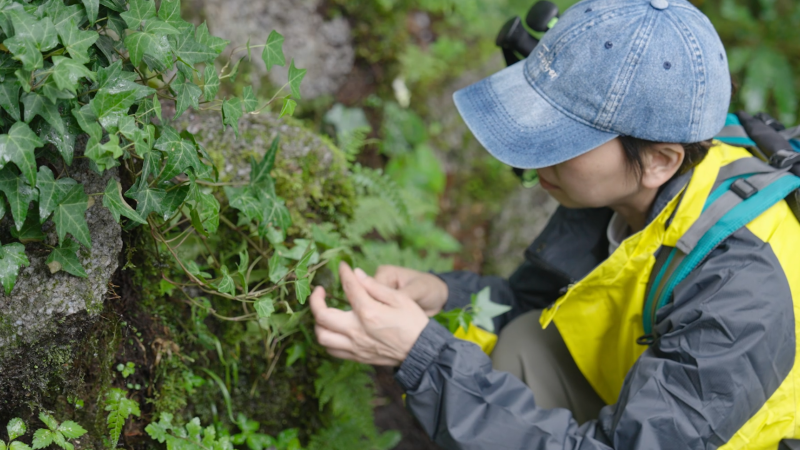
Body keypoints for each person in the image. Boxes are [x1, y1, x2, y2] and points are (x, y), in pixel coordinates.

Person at [309, 0, 800, 448]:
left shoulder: (740, 289)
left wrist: (423, 356)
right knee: (525, 340)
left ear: (660, 160)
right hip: (641, 396)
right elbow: (548, 303)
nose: (535, 151)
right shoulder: (620, 192)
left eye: (563, 136)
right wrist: (444, 296)